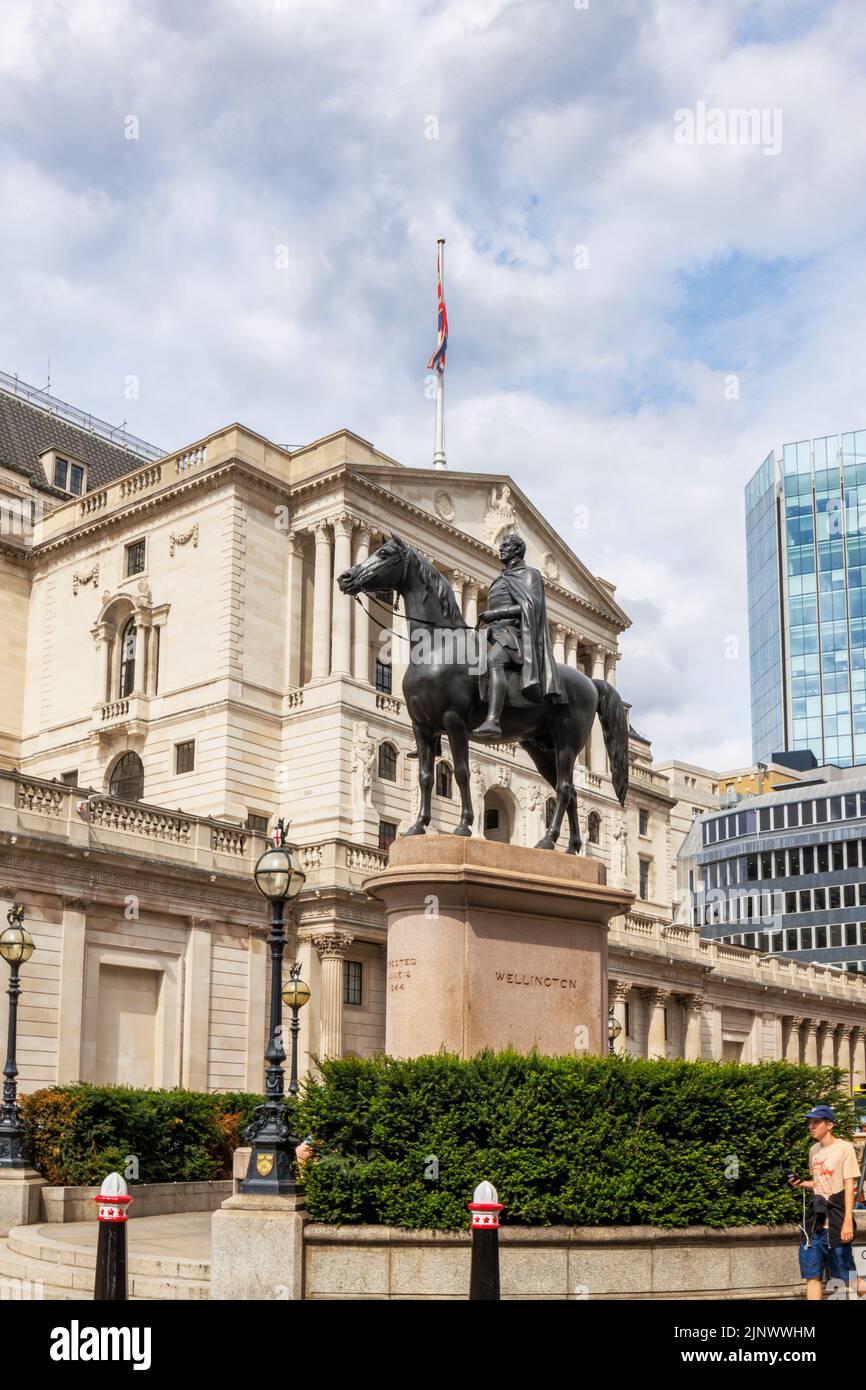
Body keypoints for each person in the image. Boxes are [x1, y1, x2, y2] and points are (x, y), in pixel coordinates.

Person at [475, 531, 564, 736]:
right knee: (463, 661)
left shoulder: (529, 574)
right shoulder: (501, 578)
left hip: (514, 633)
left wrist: (496, 613)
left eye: (505, 546)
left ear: (517, 550)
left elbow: (531, 607)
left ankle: (493, 721)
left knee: (494, 660)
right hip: (493, 633)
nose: (500, 549)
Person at [790, 1104, 866, 1300]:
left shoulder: (844, 1148)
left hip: (836, 1221)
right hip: (814, 1224)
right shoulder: (813, 1150)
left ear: (830, 1124)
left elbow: (849, 1186)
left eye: (816, 1122)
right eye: (810, 1122)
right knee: (812, 1276)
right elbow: (819, 1183)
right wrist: (801, 1184)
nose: (811, 1126)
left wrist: (848, 1220)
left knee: (847, 1277)